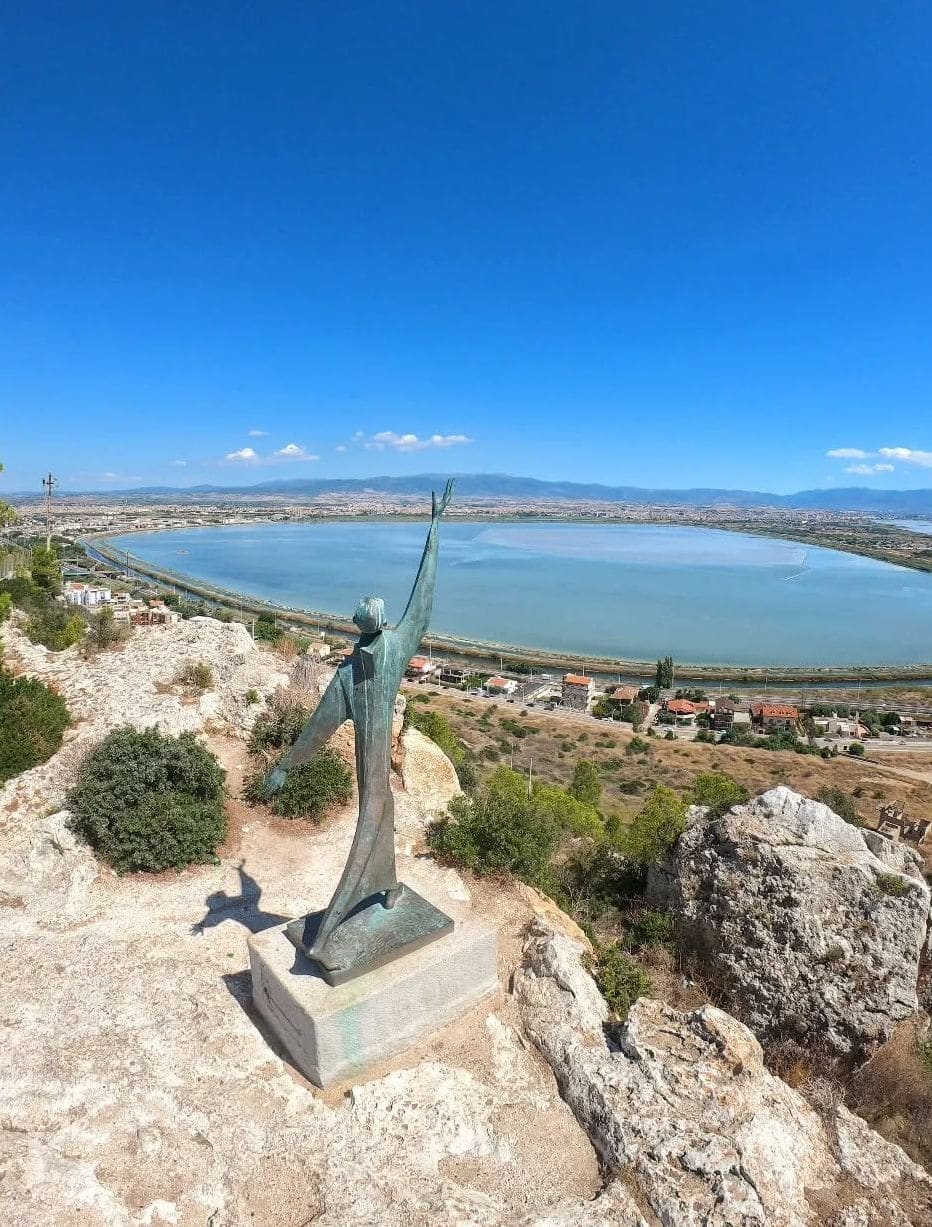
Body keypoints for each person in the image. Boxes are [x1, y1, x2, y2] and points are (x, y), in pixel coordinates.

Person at [263, 478, 454, 967]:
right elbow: (317, 730)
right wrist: (287, 765)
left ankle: (376, 893)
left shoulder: (369, 663)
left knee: (380, 820)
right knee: (374, 821)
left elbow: (422, 603)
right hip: (371, 777)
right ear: (380, 626)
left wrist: (434, 533)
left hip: (377, 776)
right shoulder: (363, 668)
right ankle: (328, 935)